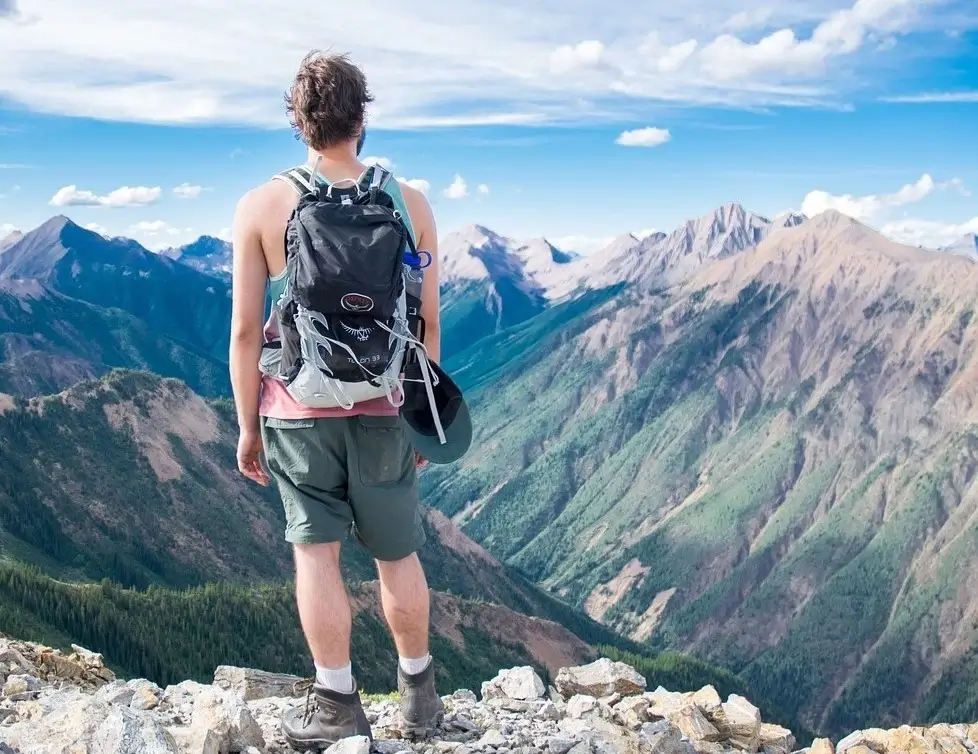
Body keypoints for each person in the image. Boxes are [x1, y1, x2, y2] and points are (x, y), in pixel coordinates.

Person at [228, 50, 443, 750]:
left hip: (295, 410)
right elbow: (426, 324)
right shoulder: (408, 204)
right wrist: (425, 418)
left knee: (315, 557)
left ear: (299, 122)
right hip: (386, 406)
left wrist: (247, 428)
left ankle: (337, 704)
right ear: (361, 115)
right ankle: (419, 699)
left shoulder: (261, 205)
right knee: (397, 554)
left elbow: (241, 331)